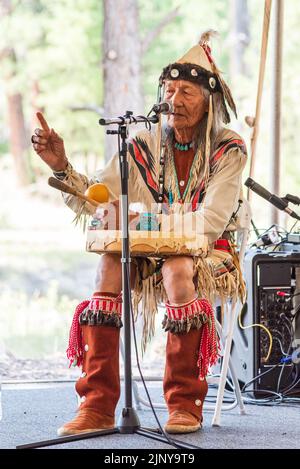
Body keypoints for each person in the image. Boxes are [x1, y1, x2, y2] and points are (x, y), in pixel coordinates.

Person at [31, 31, 248, 435]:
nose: (174, 100)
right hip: (151, 248)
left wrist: (150, 225)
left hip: (208, 252)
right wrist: (61, 167)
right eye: (169, 90)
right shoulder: (144, 143)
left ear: (209, 101)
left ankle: (184, 402)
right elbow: (98, 199)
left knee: (178, 269)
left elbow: (213, 220)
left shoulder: (228, 147)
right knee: (108, 266)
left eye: (186, 91)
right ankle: (96, 405)